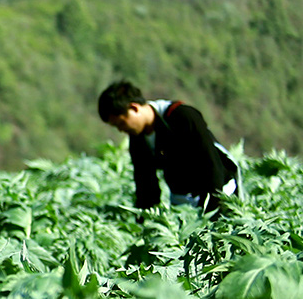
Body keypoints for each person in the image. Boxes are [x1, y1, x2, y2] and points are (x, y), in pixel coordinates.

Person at [98, 80, 241, 213]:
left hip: (220, 194)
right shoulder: (138, 138)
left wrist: (213, 208)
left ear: (134, 108)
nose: (121, 130)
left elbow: (211, 164)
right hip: (184, 203)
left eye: (121, 123)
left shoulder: (183, 116)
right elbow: (145, 183)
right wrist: (143, 221)